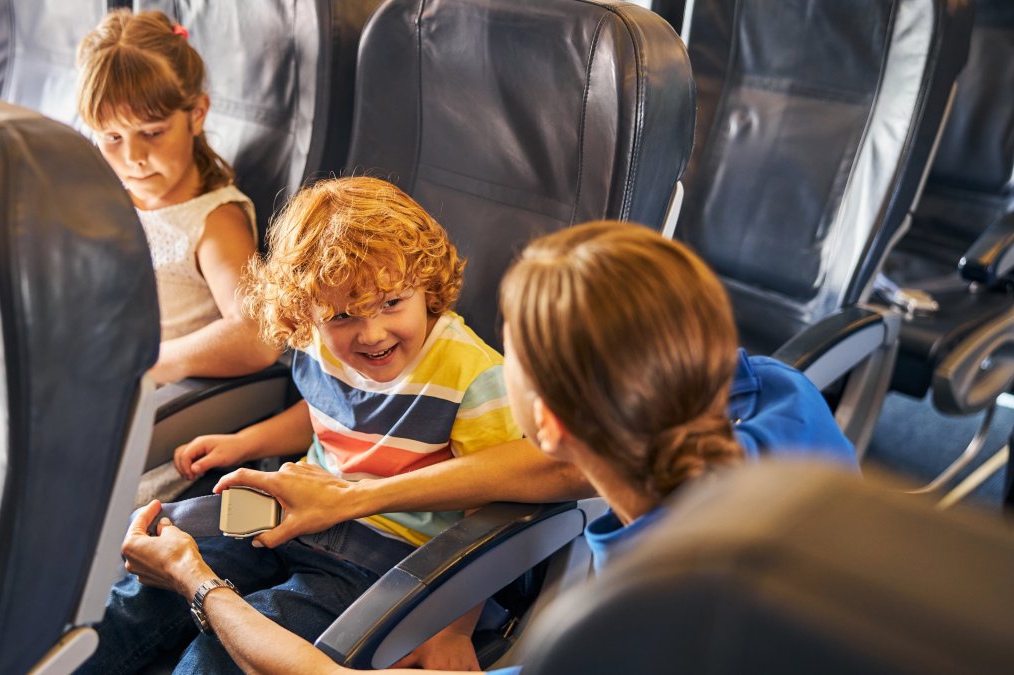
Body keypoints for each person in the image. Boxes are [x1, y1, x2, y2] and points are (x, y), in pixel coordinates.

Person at [116, 220, 857, 674]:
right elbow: (538, 469)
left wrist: (197, 581)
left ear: (546, 423)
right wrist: (347, 495)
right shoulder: (781, 395)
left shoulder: (616, 630)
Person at [77, 176, 525, 674]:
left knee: (218, 659)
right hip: (288, 518)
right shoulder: (318, 342)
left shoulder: (473, 376)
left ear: (427, 285)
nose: (371, 333)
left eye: (391, 303)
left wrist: (452, 627)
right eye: (343, 315)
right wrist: (244, 442)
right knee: (133, 604)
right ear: (307, 310)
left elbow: (488, 514)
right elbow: (324, 415)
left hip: (382, 563)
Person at [77, 9, 279, 385]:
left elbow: (259, 337)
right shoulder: (111, 199)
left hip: (155, 394)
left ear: (197, 114)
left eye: (152, 132)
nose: (133, 157)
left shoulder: (213, 219)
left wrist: (150, 363)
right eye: (112, 137)